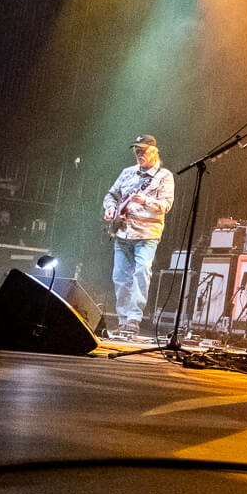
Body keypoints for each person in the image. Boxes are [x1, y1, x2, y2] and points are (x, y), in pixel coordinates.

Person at [102, 133, 175, 340]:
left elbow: (166, 206)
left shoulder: (164, 176)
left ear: (154, 151)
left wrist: (145, 201)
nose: (139, 154)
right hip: (123, 232)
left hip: (146, 234)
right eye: (136, 150)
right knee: (120, 277)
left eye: (143, 150)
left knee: (141, 273)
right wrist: (110, 208)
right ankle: (123, 321)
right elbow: (111, 195)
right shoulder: (127, 172)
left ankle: (134, 320)